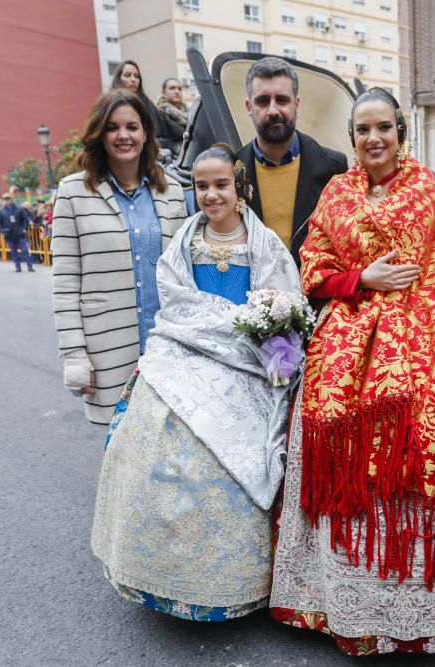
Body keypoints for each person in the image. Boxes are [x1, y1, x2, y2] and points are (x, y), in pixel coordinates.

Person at [270, 88, 435, 656]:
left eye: (383, 127)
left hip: (425, 321)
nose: (374, 139)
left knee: (429, 396)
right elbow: (313, 269)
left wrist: (422, 329)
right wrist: (363, 280)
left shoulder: (427, 190)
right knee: (330, 402)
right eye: (363, 130)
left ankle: (433, 607)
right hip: (350, 326)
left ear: (401, 131)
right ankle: (349, 600)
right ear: (352, 138)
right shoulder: (336, 191)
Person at [91, 145, 301, 621]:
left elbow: (282, 299)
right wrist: (214, 327)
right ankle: (162, 571)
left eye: (220, 184)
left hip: (246, 361)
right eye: (201, 186)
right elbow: (176, 300)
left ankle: (234, 581)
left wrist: (261, 336)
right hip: (188, 350)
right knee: (156, 433)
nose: (211, 195)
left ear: (238, 184)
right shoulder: (185, 240)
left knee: (235, 451)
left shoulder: (263, 242)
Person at [51, 88, 186, 426]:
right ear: (100, 135)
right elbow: (66, 284)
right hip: (108, 349)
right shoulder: (72, 193)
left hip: (166, 346)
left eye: (132, 126)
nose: (123, 135)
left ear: (146, 133)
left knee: (170, 451)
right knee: (120, 455)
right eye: (112, 127)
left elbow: (185, 275)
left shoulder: (171, 191)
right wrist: (74, 356)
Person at [234, 57, 347, 266]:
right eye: (263, 101)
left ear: (297, 104)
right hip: (251, 295)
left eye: (282, 100)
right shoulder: (231, 173)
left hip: (317, 295)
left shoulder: (334, 168)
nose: (273, 110)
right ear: (249, 107)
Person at [110, 60, 174, 153]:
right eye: (128, 75)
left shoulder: (148, 104)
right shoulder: (109, 104)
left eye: (137, 76)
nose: (133, 79)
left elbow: (163, 135)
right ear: (118, 78)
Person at [0, 193, 34, 272]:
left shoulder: (19, 208)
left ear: (11, 199)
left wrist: (24, 229)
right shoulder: (1, 211)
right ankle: (18, 267)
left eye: (8, 198)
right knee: (14, 252)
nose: (7, 200)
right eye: (5, 199)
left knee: (24, 250)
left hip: (19, 233)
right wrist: (3, 231)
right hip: (9, 234)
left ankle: (30, 266)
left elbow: (25, 220)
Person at [156, 77, 188, 155]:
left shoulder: (189, 114)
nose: (177, 91)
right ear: (163, 93)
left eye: (179, 89)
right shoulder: (159, 113)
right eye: (172, 88)